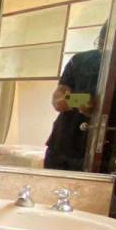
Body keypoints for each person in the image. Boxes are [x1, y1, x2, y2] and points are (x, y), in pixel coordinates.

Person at [44, 26, 105, 171]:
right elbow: (57, 100)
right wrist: (80, 100)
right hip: (62, 143)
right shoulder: (81, 60)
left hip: (99, 151)